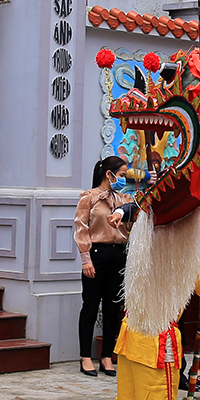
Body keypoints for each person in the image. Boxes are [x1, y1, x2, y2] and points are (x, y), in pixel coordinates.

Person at [75, 156, 133, 376]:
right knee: (90, 305)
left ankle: (107, 355)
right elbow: (81, 229)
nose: (123, 179)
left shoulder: (124, 199)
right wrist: (85, 259)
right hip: (97, 254)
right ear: (109, 174)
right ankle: (85, 356)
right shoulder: (88, 197)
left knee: (112, 308)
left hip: (119, 254)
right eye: (121, 175)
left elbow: (137, 212)